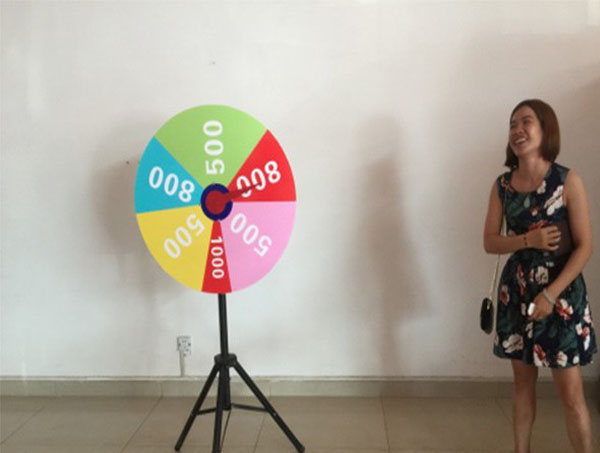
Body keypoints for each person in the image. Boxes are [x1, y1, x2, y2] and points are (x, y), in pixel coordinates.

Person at [483, 99, 597, 453]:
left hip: (561, 296)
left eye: (526, 122)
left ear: (546, 129)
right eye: (512, 124)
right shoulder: (503, 186)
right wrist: (527, 240)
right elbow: (490, 242)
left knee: (571, 394)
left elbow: (585, 247)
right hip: (517, 293)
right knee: (522, 385)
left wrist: (550, 295)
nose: (517, 130)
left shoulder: (567, 181)